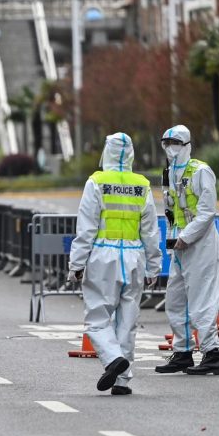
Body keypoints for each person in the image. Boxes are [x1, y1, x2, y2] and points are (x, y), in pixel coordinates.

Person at [69, 133, 162, 395]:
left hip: (103, 257)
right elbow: (151, 231)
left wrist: (76, 264)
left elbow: (86, 228)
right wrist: (154, 266)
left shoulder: (97, 182)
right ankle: (122, 381)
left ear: (106, 152)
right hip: (134, 257)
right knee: (127, 321)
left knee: (97, 318)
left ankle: (112, 359)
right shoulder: (141, 184)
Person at [155, 125, 219, 375]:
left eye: (175, 143)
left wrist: (186, 236)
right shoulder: (169, 174)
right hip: (180, 246)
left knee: (201, 301)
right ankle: (183, 352)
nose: (170, 148)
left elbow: (207, 212)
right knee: (175, 300)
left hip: (201, 244)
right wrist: (175, 240)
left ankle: (212, 354)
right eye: (166, 143)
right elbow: (172, 212)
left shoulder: (201, 171)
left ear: (186, 145)